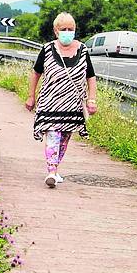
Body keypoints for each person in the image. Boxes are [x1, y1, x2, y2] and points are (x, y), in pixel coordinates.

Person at [24, 12, 97, 188]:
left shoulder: (83, 50)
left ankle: (55, 170)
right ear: (56, 31)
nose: (67, 32)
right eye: (63, 29)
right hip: (50, 103)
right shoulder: (47, 49)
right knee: (53, 136)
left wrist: (92, 99)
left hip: (72, 106)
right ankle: (51, 171)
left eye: (70, 29)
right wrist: (31, 95)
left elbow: (91, 76)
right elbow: (36, 73)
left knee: (64, 138)